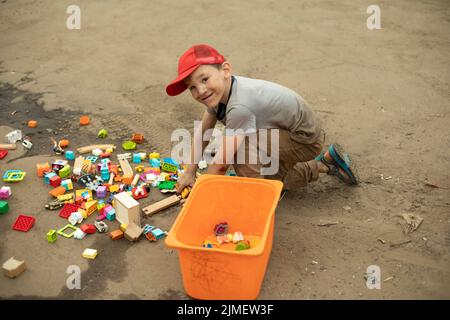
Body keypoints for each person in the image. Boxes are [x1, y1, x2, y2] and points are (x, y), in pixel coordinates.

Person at [166, 44, 358, 194]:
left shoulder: (240, 105)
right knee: (272, 180)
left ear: (225, 70)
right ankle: (325, 163)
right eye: (192, 87)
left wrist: (203, 193)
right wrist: (190, 171)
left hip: (304, 139)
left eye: (204, 79)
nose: (200, 91)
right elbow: (204, 133)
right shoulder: (220, 92)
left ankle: (253, 195)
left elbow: (222, 163)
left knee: (238, 148)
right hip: (285, 133)